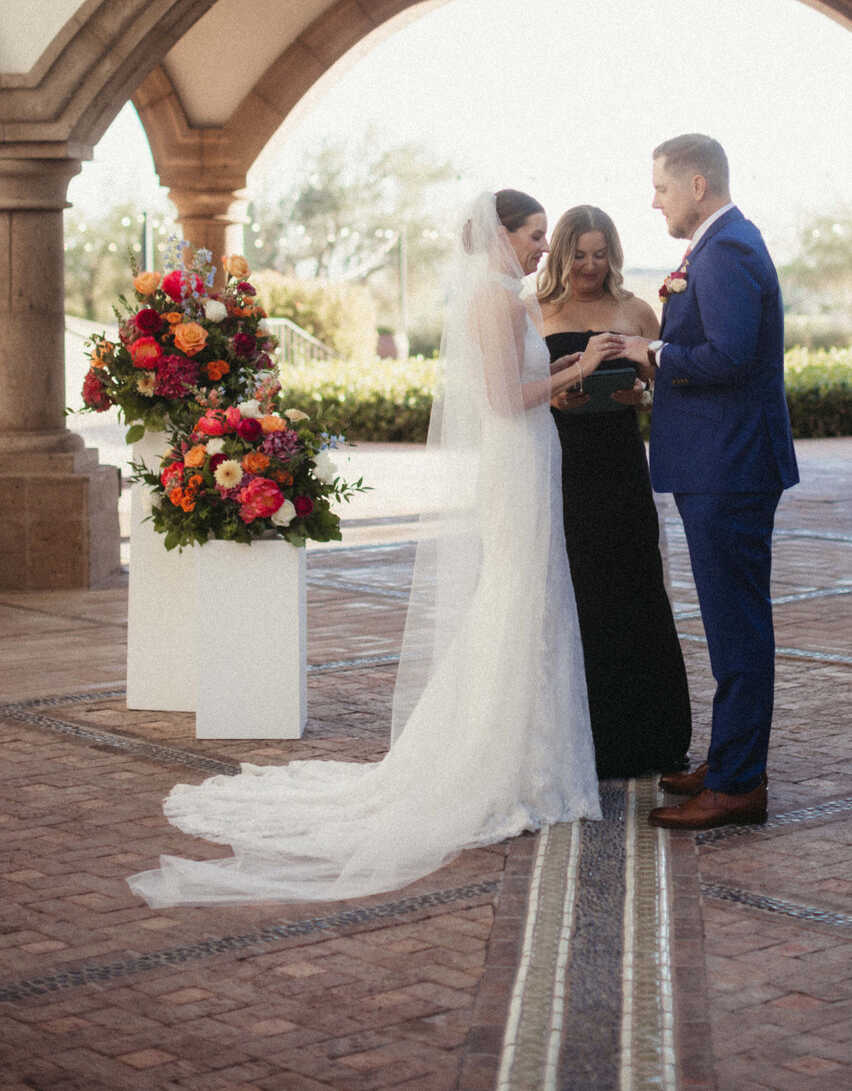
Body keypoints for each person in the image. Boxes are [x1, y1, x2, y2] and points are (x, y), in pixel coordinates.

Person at [127, 189, 625, 906]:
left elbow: (527, 392)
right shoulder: (491, 298)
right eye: (536, 234)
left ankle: (532, 758)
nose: (544, 247)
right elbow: (501, 396)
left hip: (533, 457)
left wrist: (576, 384)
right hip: (516, 462)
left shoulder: (505, 296)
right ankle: (506, 763)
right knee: (517, 596)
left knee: (532, 596)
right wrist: (580, 367)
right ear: (502, 233)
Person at [621, 135, 798, 832]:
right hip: (722, 462)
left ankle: (738, 784)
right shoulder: (721, 244)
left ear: (698, 184)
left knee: (738, 628)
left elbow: (727, 354)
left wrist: (652, 351)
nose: (654, 199)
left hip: (729, 466)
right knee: (732, 625)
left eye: (661, 187)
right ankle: (729, 762)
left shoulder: (727, 251)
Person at [538, 205, 692, 778]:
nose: (590, 266)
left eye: (600, 254)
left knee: (635, 585)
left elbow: (666, 386)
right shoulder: (539, 312)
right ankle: (587, 738)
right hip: (564, 465)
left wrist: (642, 398)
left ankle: (652, 735)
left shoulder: (636, 311)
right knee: (579, 592)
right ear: (560, 254)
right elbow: (527, 392)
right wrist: (560, 394)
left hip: (622, 463)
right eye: (579, 254)